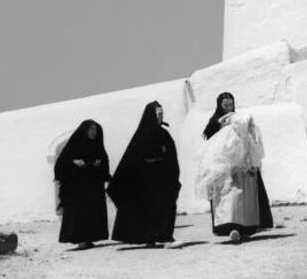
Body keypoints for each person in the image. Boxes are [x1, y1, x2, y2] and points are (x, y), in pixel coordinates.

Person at [197, 92, 273, 243]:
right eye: (225, 105)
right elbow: (209, 137)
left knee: (243, 198)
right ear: (219, 105)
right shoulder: (215, 120)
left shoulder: (238, 119)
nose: (228, 107)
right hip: (223, 167)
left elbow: (245, 135)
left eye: (231, 104)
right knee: (227, 198)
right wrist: (220, 124)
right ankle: (230, 228)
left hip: (240, 166)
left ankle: (244, 229)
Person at [107, 101, 182, 248]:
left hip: (163, 179)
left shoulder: (164, 134)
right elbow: (132, 159)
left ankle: (166, 238)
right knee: (149, 210)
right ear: (151, 115)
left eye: (162, 114)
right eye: (159, 114)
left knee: (166, 206)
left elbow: (171, 156)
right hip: (146, 182)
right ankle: (151, 238)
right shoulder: (142, 135)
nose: (161, 117)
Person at [54, 119, 110, 250]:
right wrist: (74, 162)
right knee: (79, 213)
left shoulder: (96, 145)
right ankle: (81, 240)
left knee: (92, 211)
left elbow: (104, 159)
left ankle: (90, 238)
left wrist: (99, 163)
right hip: (78, 187)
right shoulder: (75, 145)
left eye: (95, 130)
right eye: (91, 129)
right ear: (85, 130)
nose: (93, 132)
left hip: (93, 185)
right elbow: (61, 163)